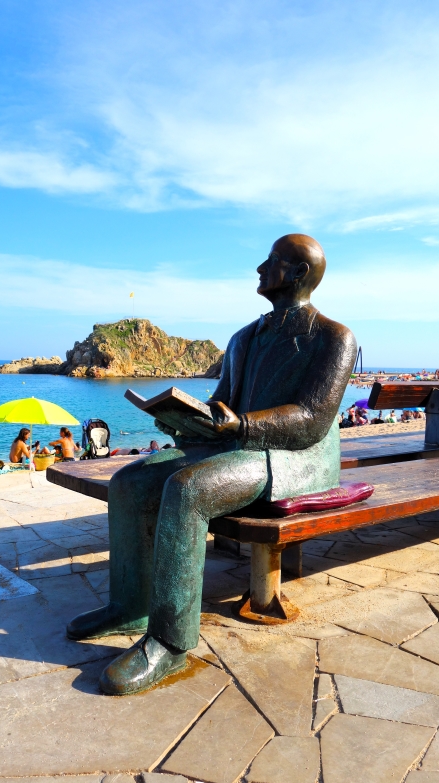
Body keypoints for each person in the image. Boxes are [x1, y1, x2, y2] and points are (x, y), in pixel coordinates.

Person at [67, 233, 357, 695]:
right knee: (129, 481)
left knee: (188, 489)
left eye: (272, 261)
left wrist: (242, 423)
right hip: (238, 445)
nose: (260, 268)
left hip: (292, 458)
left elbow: (311, 419)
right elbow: (221, 402)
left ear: (299, 273)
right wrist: (186, 420)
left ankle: (169, 642)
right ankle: (129, 606)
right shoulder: (243, 338)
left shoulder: (333, 338)